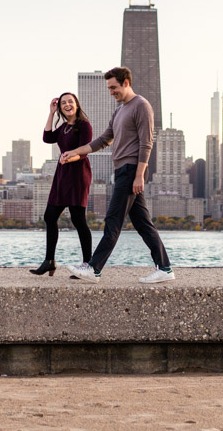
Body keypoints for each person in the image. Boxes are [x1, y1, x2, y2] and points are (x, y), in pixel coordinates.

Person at [61, 67, 174, 284]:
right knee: (142, 223)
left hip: (132, 170)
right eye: (109, 88)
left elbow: (146, 143)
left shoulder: (141, 105)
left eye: (114, 87)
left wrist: (140, 175)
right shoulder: (120, 110)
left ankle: (94, 268)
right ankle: (165, 267)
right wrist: (75, 151)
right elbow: (103, 139)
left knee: (113, 220)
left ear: (126, 83)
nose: (111, 92)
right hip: (122, 170)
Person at [30, 92, 94, 276]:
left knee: (78, 220)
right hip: (62, 174)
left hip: (78, 174)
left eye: (70, 102)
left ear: (77, 105)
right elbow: (47, 138)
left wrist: (69, 157)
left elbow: (85, 151)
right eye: (63, 103)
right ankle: (49, 261)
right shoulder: (64, 127)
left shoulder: (84, 125)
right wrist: (51, 113)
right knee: (50, 216)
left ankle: (87, 265)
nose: (67, 105)